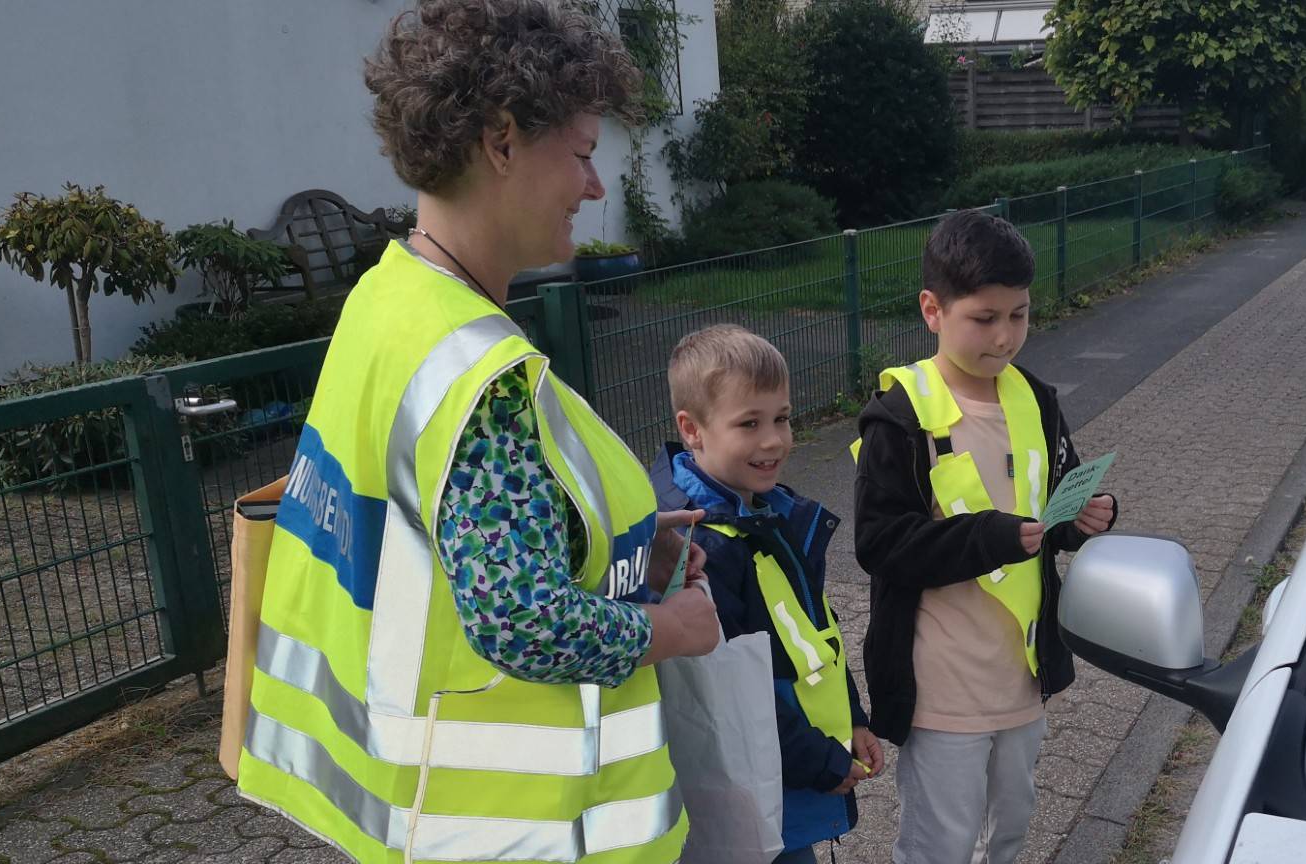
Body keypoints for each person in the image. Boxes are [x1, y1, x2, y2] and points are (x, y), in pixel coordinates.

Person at [237, 2, 720, 861]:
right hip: (513, 832)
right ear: (501, 141)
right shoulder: (479, 372)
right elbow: (523, 620)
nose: (595, 186)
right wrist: (672, 629)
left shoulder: (390, 296)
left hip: (409, 807)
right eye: (580, 154)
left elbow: (436, 538)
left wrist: (612, 543)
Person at [853, 209, 1119, 864]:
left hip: (1022, 680)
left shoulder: (1036, 397)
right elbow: (880, 543)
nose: (1005, 337)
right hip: (940, 688)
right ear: (932, 310)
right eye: (985, 318)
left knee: (1008, 831)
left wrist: (1088, 520)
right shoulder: (901, 415)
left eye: (1020, 315)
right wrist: (995, 538)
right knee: (940, 844)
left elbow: (1056, 503)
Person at [648, 325, 882, 864]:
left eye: (782, 417)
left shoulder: (770, 509)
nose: (774, 440)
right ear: (693, 429)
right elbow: (733, 693)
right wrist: (822, 762)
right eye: (749, 423)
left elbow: (813, 632)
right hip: (756, 785)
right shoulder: (699, 544)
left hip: (793, 763)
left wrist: (852, 718)